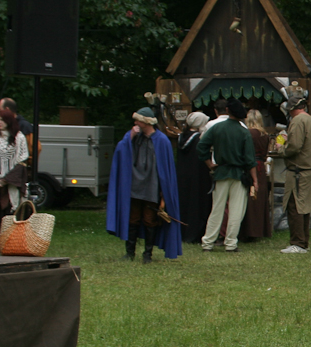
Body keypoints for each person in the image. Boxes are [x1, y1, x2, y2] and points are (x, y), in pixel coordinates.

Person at [106, 107, 182, 262]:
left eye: (138, 121)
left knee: (149, 220)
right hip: (134, 186)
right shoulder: (132, 137)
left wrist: (163, 192)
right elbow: (121, 151)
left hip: (152, 187)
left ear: (146, 122)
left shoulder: (162, 141)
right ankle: (130, 253)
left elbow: (166, 170)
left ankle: (147, 254)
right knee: (132, 219)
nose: (135, 123)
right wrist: (131, 136)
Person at [197, 99, 258, 253]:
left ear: (227, 110)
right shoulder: (244, 131)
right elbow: (250, 159)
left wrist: (209, 164)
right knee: (236, 210)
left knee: (217, 209)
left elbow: (201, 146)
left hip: (221, 172)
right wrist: (255, 180)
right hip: (239, 174)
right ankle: (230, 243)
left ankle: (208, 242)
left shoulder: (217, 128)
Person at [271, 82, 311, 254]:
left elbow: (294, 147)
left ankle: (297, 243)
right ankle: (303, 242)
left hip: (298, 171)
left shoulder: (298, 121)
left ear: (292, 109)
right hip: (307, 169)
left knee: (295, 206)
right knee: (304, 207)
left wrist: (281, 148)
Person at [175, 112, 212, 244]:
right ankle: (195, 233)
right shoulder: (199, 139)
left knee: (184, 204)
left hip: (182, 176)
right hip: (198, 176)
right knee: (197, 204)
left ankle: (182, 231)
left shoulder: (181, 137)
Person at [0, 108, 30, 238]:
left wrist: (6, 180)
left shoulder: (19, 138)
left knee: (11, 215)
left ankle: (12, 243)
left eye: (2, 120)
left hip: (12, 184)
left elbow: (22, 161)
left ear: (8, 121)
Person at [241, 109, 273, 241]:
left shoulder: (248, 134)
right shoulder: (264, 135)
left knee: (249, 197)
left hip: (250, 166)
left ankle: (249, 231)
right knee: (259, 198)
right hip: (261, 166)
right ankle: (259, 229)